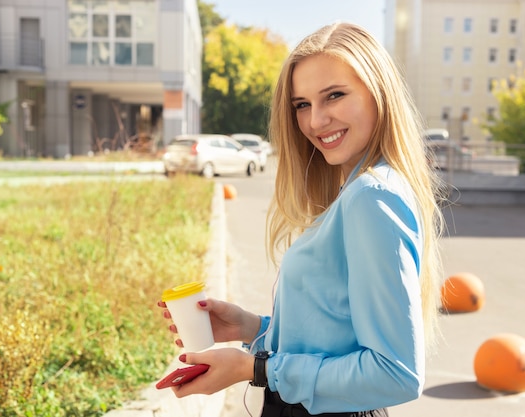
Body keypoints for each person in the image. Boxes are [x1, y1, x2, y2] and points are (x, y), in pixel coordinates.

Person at [158, 21, 444, 417]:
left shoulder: (372, 197)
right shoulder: (358, 191)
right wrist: (250, 328)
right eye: (302, 105)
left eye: (335, 96)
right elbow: (334, 336)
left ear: (379, 94)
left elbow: (395, 373)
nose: (315, 121)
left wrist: (255, 368)